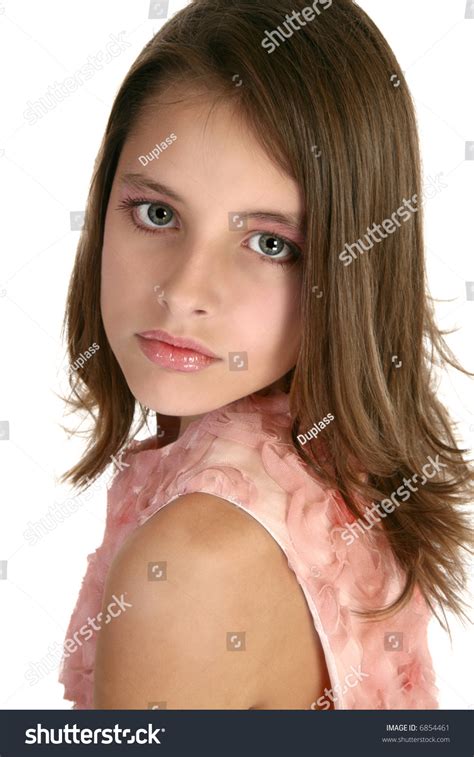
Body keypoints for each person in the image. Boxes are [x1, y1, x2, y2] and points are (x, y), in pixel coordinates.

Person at [57, 0, 473, 710]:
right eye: (158, 213)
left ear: (350, 267)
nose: (184, 291)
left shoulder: (192, 563)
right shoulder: (326, 459)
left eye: (271, 243)